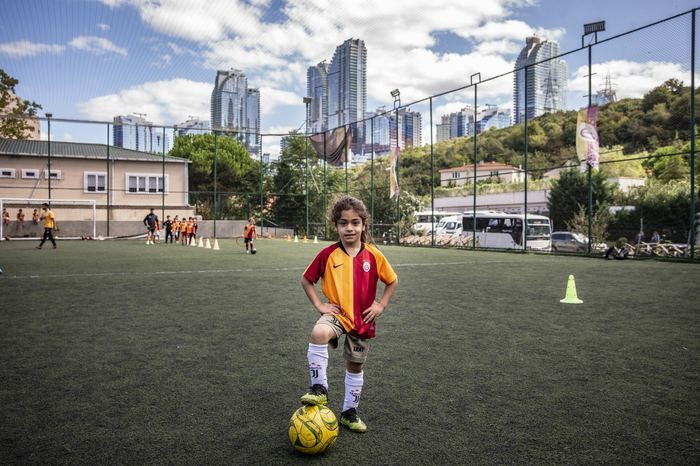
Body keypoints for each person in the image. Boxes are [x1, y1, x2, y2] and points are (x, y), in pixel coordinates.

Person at [299, 195, 398, 433]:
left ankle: (348, 412)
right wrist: (320, 306)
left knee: (355, 367)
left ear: (363, 224)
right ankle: (319, 389)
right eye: (343, 223)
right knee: (319, 332)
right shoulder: (328, 254)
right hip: (338, 314)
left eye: (355, 223)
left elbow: (392, 281)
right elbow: (306, 279)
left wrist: (380, 306)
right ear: (336, 226)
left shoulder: (374, 255)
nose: (349, 228)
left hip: (362, 320)